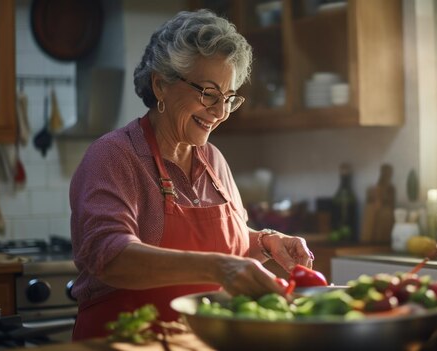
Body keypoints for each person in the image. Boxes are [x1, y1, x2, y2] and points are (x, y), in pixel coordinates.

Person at [69, 9, 314, 340]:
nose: (220, 112)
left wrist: (267, 241)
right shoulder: (115, 156)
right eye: (209, 94)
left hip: (196, 342)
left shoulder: (213, 159)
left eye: (229, 98)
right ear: (161, 85)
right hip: (125, 342)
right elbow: (110, 256)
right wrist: (217, 267)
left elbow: (233, 244)